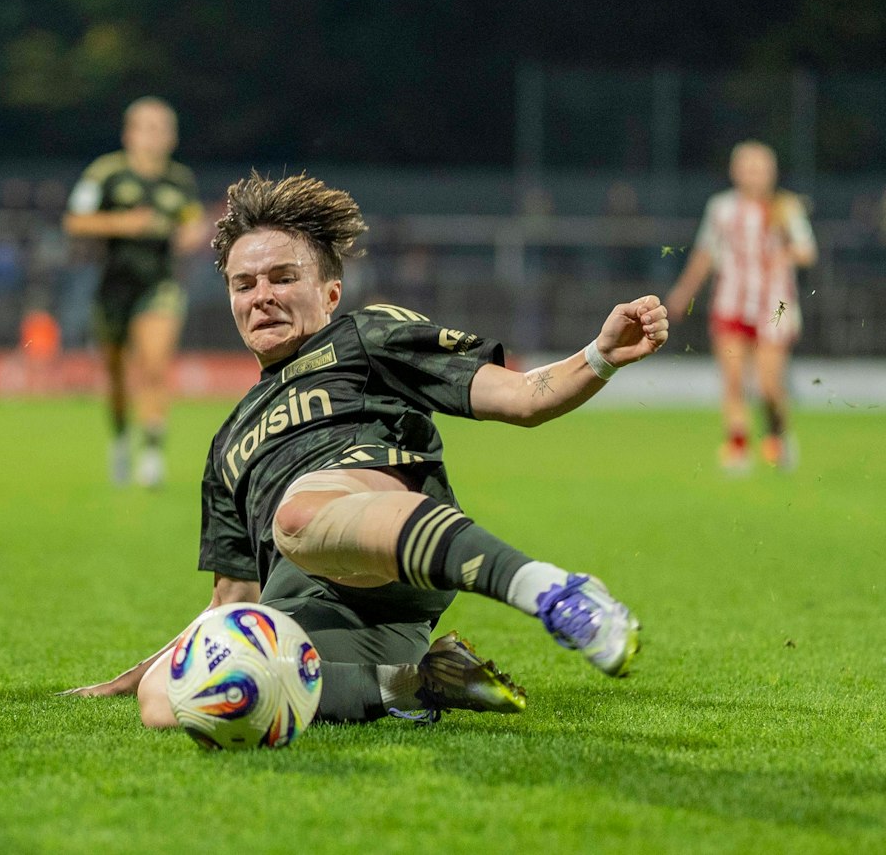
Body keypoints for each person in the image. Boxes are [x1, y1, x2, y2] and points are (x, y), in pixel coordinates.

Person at [66, 173, 663, 727]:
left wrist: (600, 355)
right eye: (243, 284)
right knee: (166, 701)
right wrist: (143, 673)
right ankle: (414, 684)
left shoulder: (364, 336)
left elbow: (524, 398)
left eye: (282, 277)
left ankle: (556, 592)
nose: (261, 297)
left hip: (384, 546)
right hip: (330, 620)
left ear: (330, 291)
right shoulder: (227, 440)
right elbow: (232, 601)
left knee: (299, 511)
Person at [63, 97, 205, 487]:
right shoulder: (106, 173)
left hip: (160, 284)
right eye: (147, 127)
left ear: (172, 137)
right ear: (129, 133)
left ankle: (153, 454)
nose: (154, 136)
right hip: (112, 287)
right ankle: (121, 438)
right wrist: (125, 223)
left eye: (162, 128)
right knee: (117, 378)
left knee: (155, 365)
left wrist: (194, 233)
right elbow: (75, 221)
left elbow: (193, 222)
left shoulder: (180, 180)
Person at [666, 141, 816, 474]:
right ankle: (737, 448)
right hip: (730, 303)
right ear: (735, 171)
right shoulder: (720, 208)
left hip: (773, 308)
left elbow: (808, 251)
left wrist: (784, 254)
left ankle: (777, 433)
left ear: (772, 172)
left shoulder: (785, 207)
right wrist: (682, 292)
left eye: (760, 168)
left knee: (768, 386)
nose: (754, 174)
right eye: (748, 167)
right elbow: (705, 254)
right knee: (732, 380)